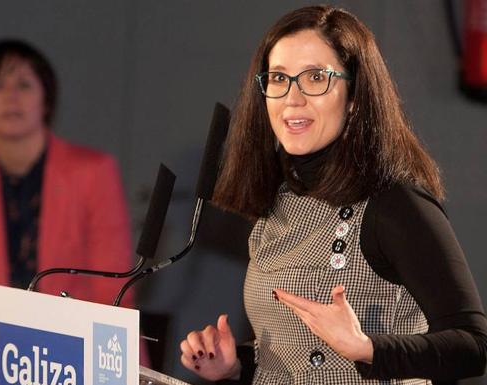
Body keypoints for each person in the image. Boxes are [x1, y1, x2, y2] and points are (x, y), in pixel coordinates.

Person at [180, 5, 487, 384]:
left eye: (314, 77)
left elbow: (473, 347)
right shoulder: (277, 204)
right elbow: (299, 356)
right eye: (278, 78)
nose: (292, 97)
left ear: (355, 96)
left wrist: (367, 350)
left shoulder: (393, 203)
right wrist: (237, 364)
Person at [0, 39, 133, 307]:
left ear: (46, 99)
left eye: (23, 85)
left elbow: (113, 287)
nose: (11, 96)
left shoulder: (94, 172)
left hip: (83, 336)